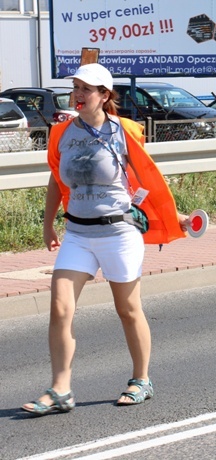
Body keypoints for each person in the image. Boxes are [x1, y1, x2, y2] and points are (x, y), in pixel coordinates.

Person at [22, 63, 190, 415]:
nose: (78, 94)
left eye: (87, 89)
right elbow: (56, 179)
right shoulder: (61, 133)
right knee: (60, 308)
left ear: (104, 96)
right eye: (76, 88)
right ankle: (60, 389)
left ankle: (141, 379)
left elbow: (143, 181)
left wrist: (175, 216)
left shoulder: (124, 132)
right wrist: (48, 224)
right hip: (78, 233)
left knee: (128, 310)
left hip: (118, 232)